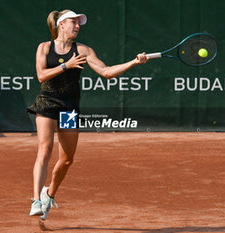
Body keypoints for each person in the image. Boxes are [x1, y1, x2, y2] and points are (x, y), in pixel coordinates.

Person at [27, 9, 149, 220]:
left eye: (78, 23)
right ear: (61, 25)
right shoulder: (44, 47)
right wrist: (66, 65)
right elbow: (41, 76)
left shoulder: (83, 50)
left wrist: (134, 62)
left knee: (66, 160)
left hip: (69, 108)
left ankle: (49, 193)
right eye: (73, 22)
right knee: (44, 150)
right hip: (47, 103)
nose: (77, 26)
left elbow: (106, 72)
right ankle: (36, 200)